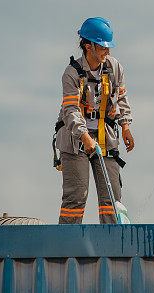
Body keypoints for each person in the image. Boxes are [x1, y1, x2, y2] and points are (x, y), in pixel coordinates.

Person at [54, 17, 134, 224]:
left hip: (105, 137)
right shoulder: (71, 73)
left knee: (112, 197)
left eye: (109, 47)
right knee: (76, 196)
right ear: (88, 46)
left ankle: (112, 247)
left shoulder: (115, 67)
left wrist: (125, 126)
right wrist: (85, 138)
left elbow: (122, 99)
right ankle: (68, 245)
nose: (107, 52)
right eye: (103, 47)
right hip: (75, 139)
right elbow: (70, 110)